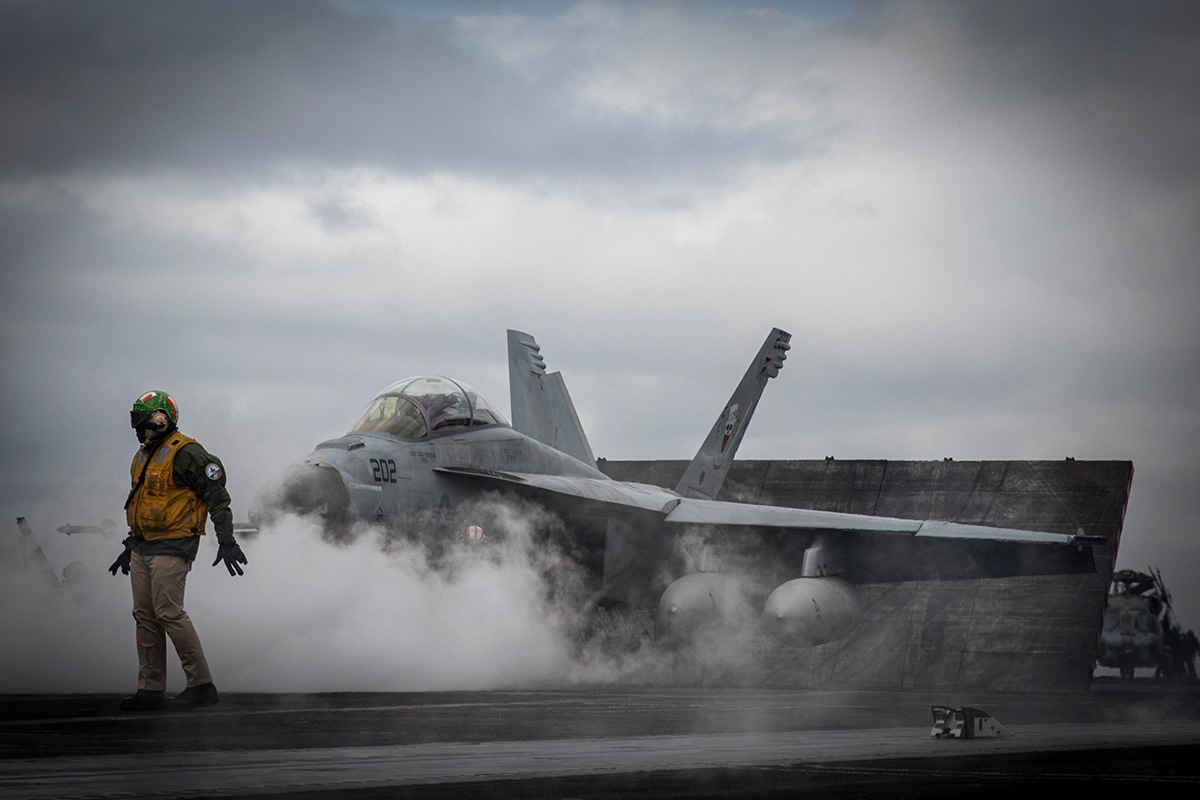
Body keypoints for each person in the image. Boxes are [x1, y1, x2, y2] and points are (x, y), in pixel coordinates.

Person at [109, 390, 247, 711]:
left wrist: (226, 540)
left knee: (168, 612)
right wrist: (129, 546)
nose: (138, 426)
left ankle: (201, 684)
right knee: (145, 616)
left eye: (143, 419)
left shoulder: (189, 454)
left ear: (161, 419)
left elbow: (217, 497)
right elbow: (144, 505)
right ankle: (150, 689)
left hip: (174, 545)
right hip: (143, 546)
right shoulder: (144, 456)